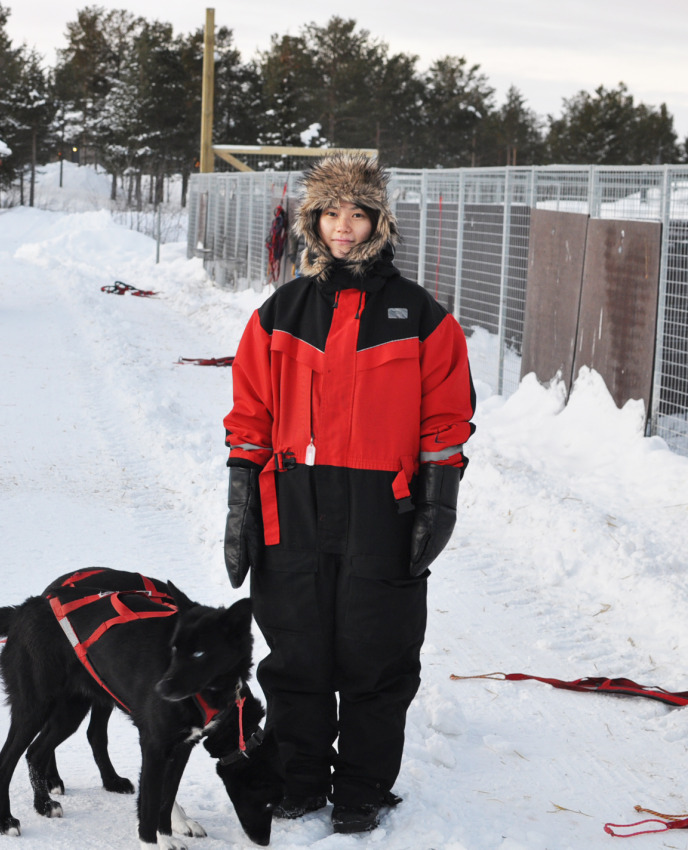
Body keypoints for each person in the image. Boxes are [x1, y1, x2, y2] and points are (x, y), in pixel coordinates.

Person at [221, 153, 476, 835]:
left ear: (378, 221)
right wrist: (241, 500)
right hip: (292, 505)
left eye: (357, 212)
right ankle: (300, 777)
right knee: (297, 652)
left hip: (380, 510)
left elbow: (446, 419)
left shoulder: (422, 317)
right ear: (312, 220)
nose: (343, 226)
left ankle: (362, 787)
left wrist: (438, 499)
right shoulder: (281, 312)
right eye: (330, 212)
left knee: (376, 654)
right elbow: (249, 414)